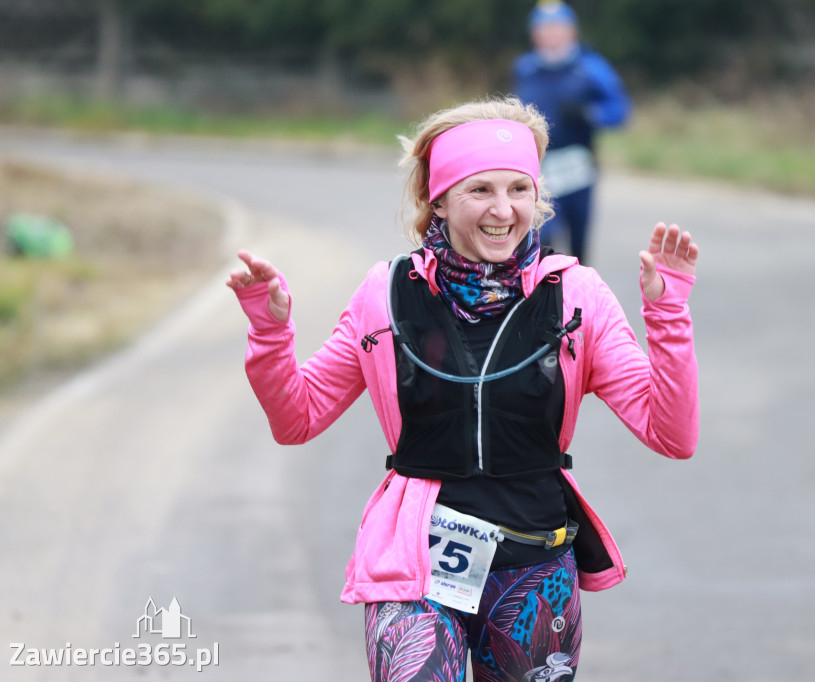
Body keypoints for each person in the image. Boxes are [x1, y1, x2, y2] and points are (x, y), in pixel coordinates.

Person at [227, 96, 699, 681]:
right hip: (414, 568)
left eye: (519, 190)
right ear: (439, 199)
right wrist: (270, 331)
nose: (503, 210)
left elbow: (671, 434)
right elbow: (296, 418)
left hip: (534, 565)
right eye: (480, 190)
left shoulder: (580, 297)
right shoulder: (386, 294)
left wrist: (669, 315)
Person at [513, 0, 630, 265]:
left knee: (578, 241)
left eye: (557, 27)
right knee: (545, 236)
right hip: (541, 167)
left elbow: (619, 111)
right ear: (535, 33)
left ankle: (582, 297)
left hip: (578, 165)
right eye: (544, 27)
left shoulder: (591, 68)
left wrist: (590, 114)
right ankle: (546, 297)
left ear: (571, 31)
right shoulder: (525, 68)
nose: (550, 34)